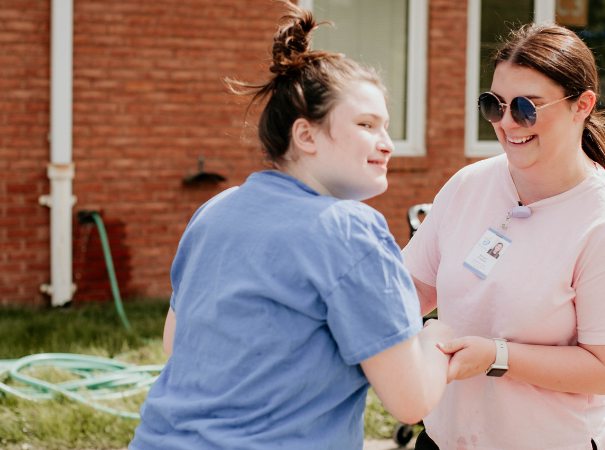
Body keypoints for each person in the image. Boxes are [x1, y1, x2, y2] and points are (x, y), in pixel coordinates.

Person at [130, 3, 454, 449]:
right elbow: (411, 400)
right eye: (366, 124)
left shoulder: (216, 210)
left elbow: (175, 343)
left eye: (387, 127)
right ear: (305, 136)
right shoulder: (351, 229)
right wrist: (438, 335)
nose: (387, 144)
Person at [403, 23, 605, 450]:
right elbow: (414, 289)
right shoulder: (468, 184)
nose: (506, 122)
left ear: (583, 105)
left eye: (526, 107)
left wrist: (496, 357)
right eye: (494, 105)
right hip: (446, 437)